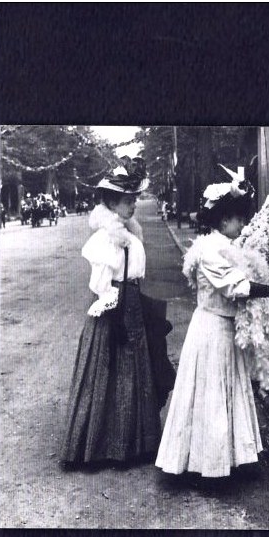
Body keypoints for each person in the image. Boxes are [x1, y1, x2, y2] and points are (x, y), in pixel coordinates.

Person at [155, 175, 269, 478]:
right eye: (238, 219)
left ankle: (229, 458)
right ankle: (208, 466)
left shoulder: (227, 246)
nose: (242, 225)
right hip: (212, 329)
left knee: (226, 390)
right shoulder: (210, 251)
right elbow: (238, 287)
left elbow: (252, 269)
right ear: (224, 219)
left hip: (226, 328)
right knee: (211, 394)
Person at [61, 158, 161, 466]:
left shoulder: (128, 232)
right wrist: (110, 306)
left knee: (133, 373)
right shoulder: (107, 238)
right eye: (126, 201)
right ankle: (101, 446)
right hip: (113, 312)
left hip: (131, 307)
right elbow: (102, 283)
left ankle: (132, 443)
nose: (132, 205)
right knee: (108, 370)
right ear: (112, 203)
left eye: (133, 199)